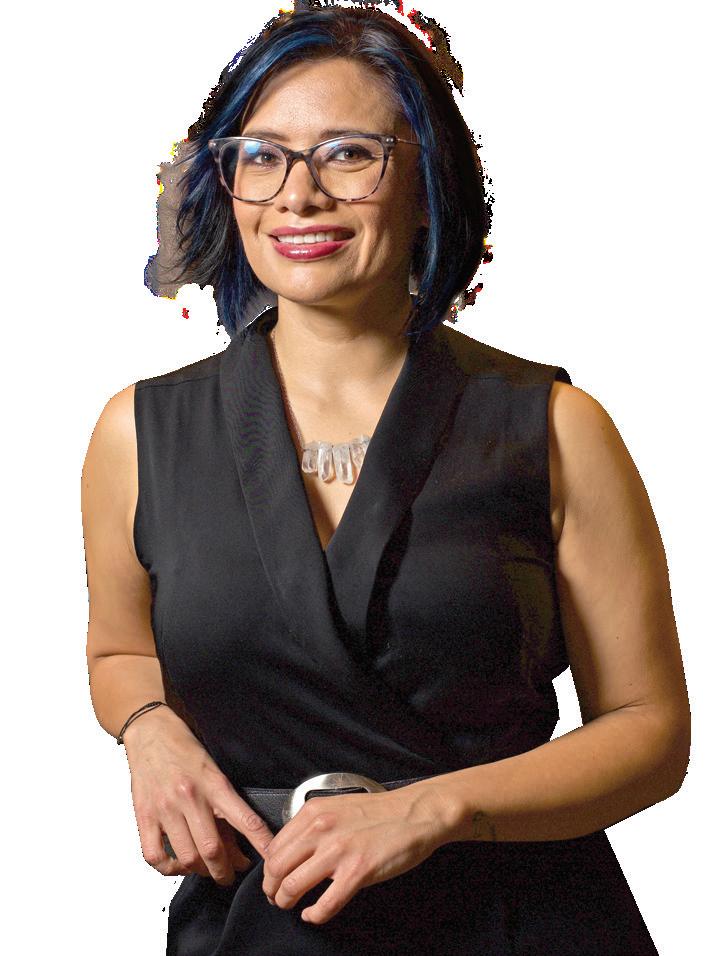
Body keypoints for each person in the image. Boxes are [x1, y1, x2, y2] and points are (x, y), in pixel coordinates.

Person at [81, 3, 690, 953]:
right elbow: (119, 653)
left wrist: (436, 810)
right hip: (257, 924)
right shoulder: (138, 432)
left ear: (428, 184)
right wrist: (148, 729)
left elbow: (650, 732)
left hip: (518, 924)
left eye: (349, 154)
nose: (299, 196)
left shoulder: (557, 427)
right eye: (263, 156)